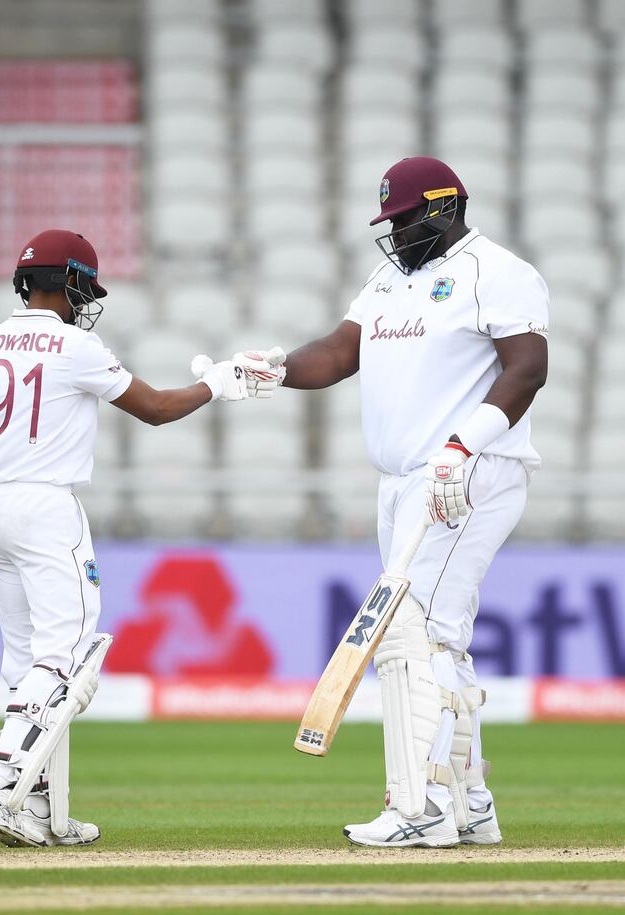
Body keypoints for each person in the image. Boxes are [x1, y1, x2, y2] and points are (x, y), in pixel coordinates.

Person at [0, 229, 247, 848]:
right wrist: (219, 383)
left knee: (25, 663)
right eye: (86, 286)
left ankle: (39, 809)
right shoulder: (76, 345)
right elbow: (158, 409)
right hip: (45, 509)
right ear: (72, 282)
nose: (89, 300)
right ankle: (1, 778)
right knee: (69, 657)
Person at [234, 156, 549, 848]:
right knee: (438, 637)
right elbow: (340, 354)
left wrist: (463, 446)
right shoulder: (388, 278)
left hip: (468, 469)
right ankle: (469, 800)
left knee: (419, 636)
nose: (395, 233)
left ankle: (422, 805)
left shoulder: (497, 271)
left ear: (443, 207)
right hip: (404, 480)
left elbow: (529, 369)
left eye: (403, 220)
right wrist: (278, 368)